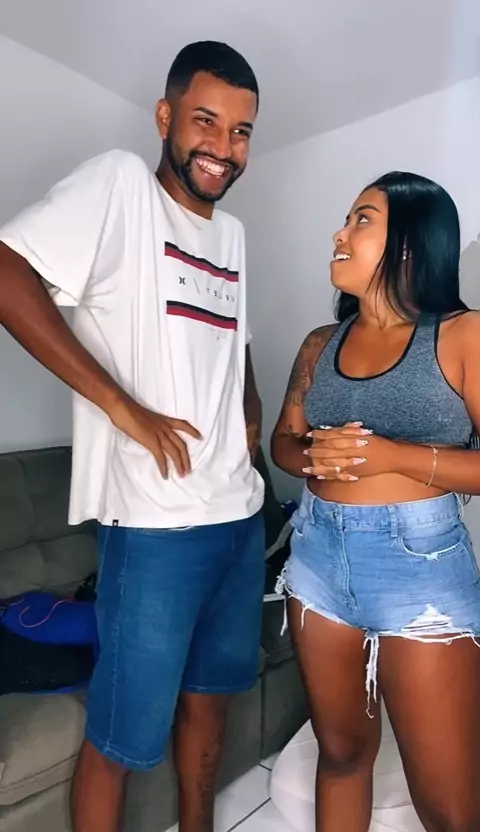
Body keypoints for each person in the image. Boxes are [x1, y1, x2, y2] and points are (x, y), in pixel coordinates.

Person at [0, 41, 265, 832]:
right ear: (165, 116)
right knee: (120, 738)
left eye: (242, 131)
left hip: (240, 518)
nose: (223, 146)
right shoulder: (121, 185)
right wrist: (121, 405)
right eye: (206, 121)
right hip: (154, 528)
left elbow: (236, 339)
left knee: (210, 709)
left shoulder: (234, 235)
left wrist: (248, 411)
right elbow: (8, 271)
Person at [271, 171, 480, 832]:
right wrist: (312, 458)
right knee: (340, 755)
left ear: (412, 243)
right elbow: (284, 442)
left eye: (362, 219)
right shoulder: (319, 344)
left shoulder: (464, 335)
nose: (340, 233)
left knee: (449, 806)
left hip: (420, 567)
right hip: (316, 559)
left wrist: (390, 456)